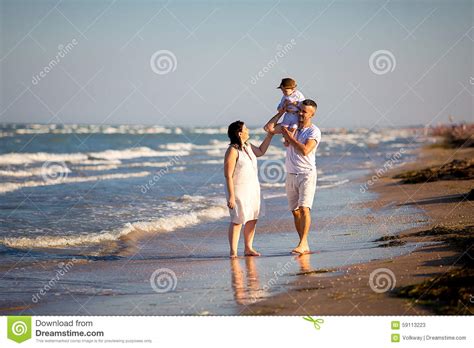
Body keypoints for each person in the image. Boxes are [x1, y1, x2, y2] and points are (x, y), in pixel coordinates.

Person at [265, 99, 321, 254]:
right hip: (290, 174)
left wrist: (290, 137)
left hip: (306, 174)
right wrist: (281, 112)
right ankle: (303, 243)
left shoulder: (313, 131)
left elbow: (305, 150)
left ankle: (302, 243)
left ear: (312, 114)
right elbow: (268, 128)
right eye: (299, 110)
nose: (301, 114)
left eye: (304, 112)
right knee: (295, 211)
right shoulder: (291, 126)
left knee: (304, 209)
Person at [224, 121, 273, 258]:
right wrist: (231, 197)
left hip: (252, 188)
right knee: (238, 219)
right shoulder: (232, 150)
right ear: (240, 133)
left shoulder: (248, 146)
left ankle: (248, 248)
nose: (248, 130)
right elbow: (227, 175)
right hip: (238, 189)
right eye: (246, 128)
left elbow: (261, 151)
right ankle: (233, 251)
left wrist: (270, 135)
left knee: (252, 217)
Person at [264, 77, 305, 147]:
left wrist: (295, 104)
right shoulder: (284, 97)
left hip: (295, 115)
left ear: (293, 89)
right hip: (288, 114)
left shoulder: (298, 95)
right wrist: (282, 107)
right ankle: (286, 140)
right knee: (284, 127)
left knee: (293, 128)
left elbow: (304, 105)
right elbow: (280, 106)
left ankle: (288, 141)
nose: (284, 93)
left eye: (285, 91)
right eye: (282, 91)